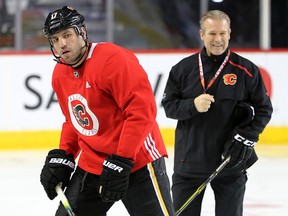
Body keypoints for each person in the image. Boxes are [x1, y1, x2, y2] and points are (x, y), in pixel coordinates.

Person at [39, 6, 174, 216]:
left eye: (67, 35)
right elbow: (73, 119)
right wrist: (65, 155)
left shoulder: (113, 60)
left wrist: (122, 159)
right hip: (93, 163)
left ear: (81, 32)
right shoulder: (60, 74)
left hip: (137, 161)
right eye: (55, 39)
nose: (62, 44)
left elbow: (141, 112)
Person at [161, 10, 272, 216]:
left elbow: (264, 109)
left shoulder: (247, 71)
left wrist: (247, 137)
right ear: (202, 34)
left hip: (230, 162)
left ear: (229, 33)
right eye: (212, 33)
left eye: (222, 33)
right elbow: (168, 107)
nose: (218, 39)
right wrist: (192, 105)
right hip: (189, 164)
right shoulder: (182, 69)